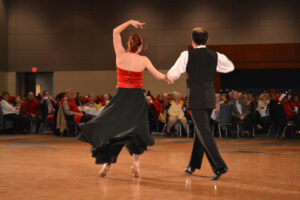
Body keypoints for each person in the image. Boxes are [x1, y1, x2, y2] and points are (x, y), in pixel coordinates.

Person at [78, 20, 168, 178]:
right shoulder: (144, 60)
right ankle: (136, 163)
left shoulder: (120, 55)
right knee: (137, 132)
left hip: (121, 97)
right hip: (137, 99)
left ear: (129, 44)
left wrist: (130, 22)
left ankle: (107, 164)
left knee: (114, 131)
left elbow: (115, 31)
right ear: (140, 47)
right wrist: (170, 77)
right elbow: (160, 76)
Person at [167, 27, 234, 180]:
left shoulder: (187, 55)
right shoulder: (215, 55)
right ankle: (193, 165)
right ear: (207, 40)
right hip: (210, 98)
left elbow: (174, 73)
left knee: (203, 131)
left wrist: (169, 78)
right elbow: (230, 67)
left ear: (192, 41)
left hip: (196, 99)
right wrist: (214, 65)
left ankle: (220, 166)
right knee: (200, 130)